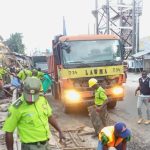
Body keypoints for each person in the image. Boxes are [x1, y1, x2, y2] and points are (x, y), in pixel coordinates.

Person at [2, 77, 65, 150]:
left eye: (34, 97)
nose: (31, 100)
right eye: (29, 97)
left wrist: (59, 131)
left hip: (46, 144)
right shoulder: (16, 108)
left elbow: (49, 116)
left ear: (39, 92)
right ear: (23, 90)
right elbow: (9, 132)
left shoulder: (42, 100)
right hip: (30, 147)